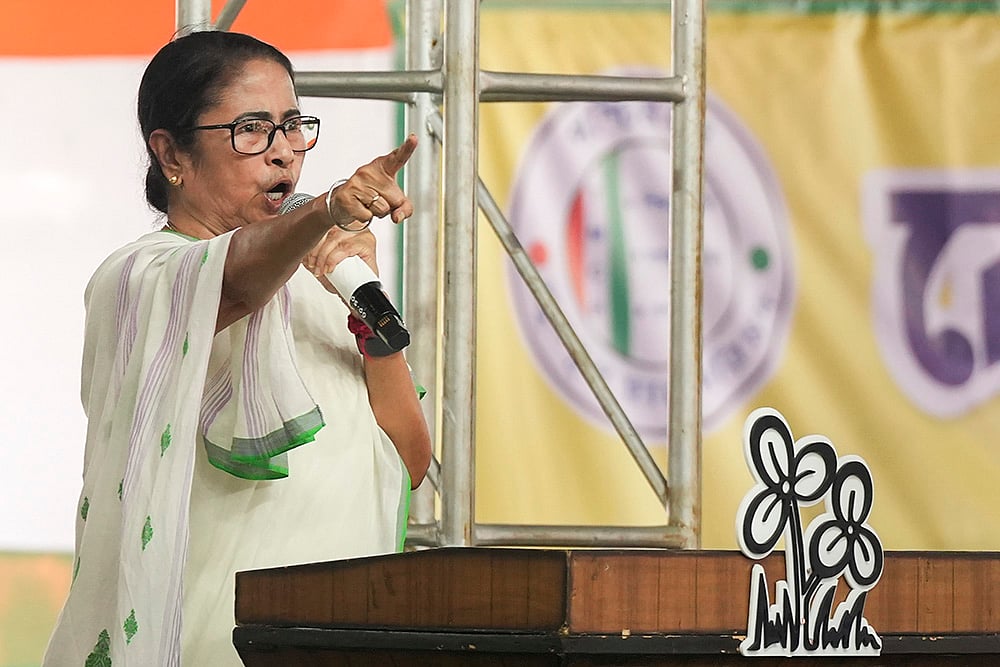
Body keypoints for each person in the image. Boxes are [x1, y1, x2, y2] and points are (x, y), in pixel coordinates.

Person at [42, 29, 432, 667]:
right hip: (203, 642)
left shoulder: (321, 288)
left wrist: (373, 326)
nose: (283, 155)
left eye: (292, 126)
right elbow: (235, 283)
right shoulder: (140, 278)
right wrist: (326, 209)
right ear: (172, 153)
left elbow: (406, 466)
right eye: (252, 129)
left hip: (336, 638)